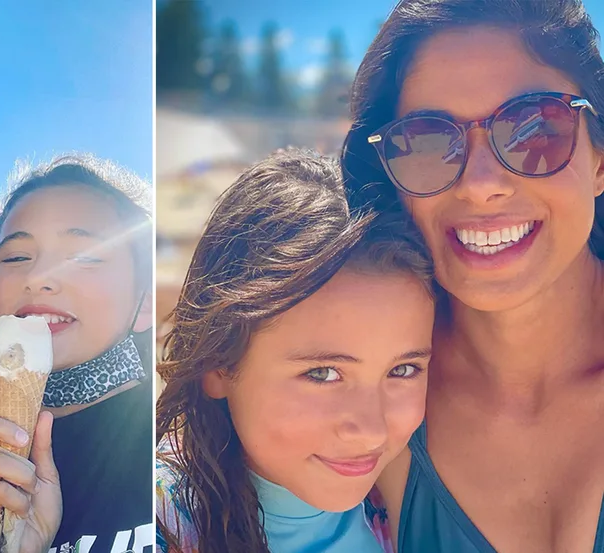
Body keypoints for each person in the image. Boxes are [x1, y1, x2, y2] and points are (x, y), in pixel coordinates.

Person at [340, 1, 604, 551]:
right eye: (428, 143)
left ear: (599, 161)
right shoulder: (368, 406)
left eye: (535, 128)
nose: (481, 184)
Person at [155, 149, 436, 553]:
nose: (372, 430)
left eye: (404, 370)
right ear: (218, 364)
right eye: (323, 373)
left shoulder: (414, 498)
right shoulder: (155, 525)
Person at [0, 154, 154, 553]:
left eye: (84, 257)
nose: (39, 278)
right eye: (15, 258)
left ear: (147, 300)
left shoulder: (181, 452)